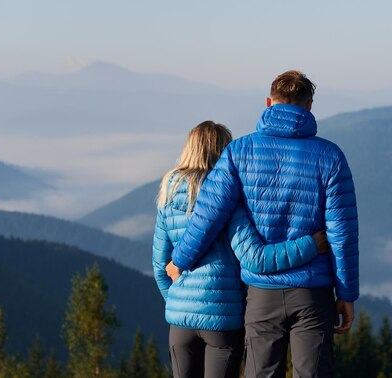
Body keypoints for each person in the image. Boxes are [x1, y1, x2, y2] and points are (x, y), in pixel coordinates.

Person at [167, 71, 359, 377]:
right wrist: (346, 295)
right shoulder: (331, 157)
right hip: (313, 292)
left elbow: (209, 214)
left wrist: (180, 259)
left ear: (269, 103)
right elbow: (343, 234)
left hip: (261, 292)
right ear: (309, 106)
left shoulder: (239, 152)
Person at [153, 120, 329, 378]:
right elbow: (256, 258)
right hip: (224, 321)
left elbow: (160, 266)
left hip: (180, 324)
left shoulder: (167, 197)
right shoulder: (231, 203)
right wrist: (312, 244)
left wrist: (182, 304)